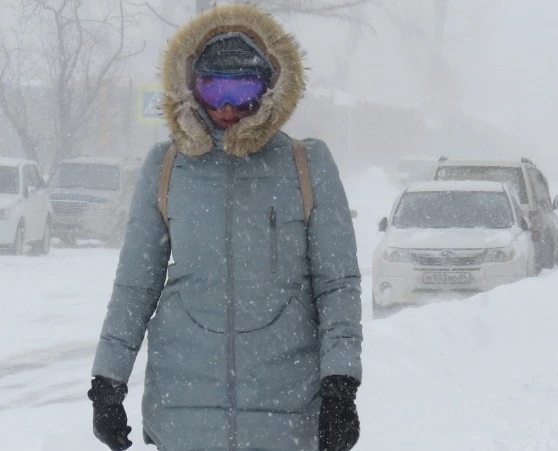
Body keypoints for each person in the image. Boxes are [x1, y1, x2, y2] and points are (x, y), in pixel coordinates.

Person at [87, 5, 363, 451]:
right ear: (193, 88)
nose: (230, 107)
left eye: (244, 88)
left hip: (286, 414)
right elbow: (135, 285)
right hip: (184, 416)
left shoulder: (306, 165)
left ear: (271, 86)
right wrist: (108, 380)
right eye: (215, 89)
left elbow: (337, 285)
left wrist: (340, 385)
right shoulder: (167, 166)